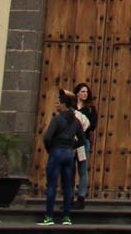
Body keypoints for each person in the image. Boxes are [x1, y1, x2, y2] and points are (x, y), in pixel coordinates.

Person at [39, 87, 81, 225]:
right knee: (68, 186)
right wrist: (72, 146)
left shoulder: (57, 119)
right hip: (69, 154)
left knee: (52, 185)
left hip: (57, 152)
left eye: (59, 101)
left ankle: (49, 217)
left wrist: (50, 148)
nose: (57, 103)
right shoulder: (76, 121)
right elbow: (82, 139)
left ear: (64, 104)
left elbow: (47, 137)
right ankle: (66, 217)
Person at [73, 82, 99, 207]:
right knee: (69, 169)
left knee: (83, 169)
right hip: (70, 142)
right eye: (82, 91)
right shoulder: (71, 106)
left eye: (86, 92)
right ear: (77, 93)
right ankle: (69, 197)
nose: (85, 94)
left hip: (83, 142)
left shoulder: (90, 109)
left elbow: (93, 125)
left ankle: (81, 197)